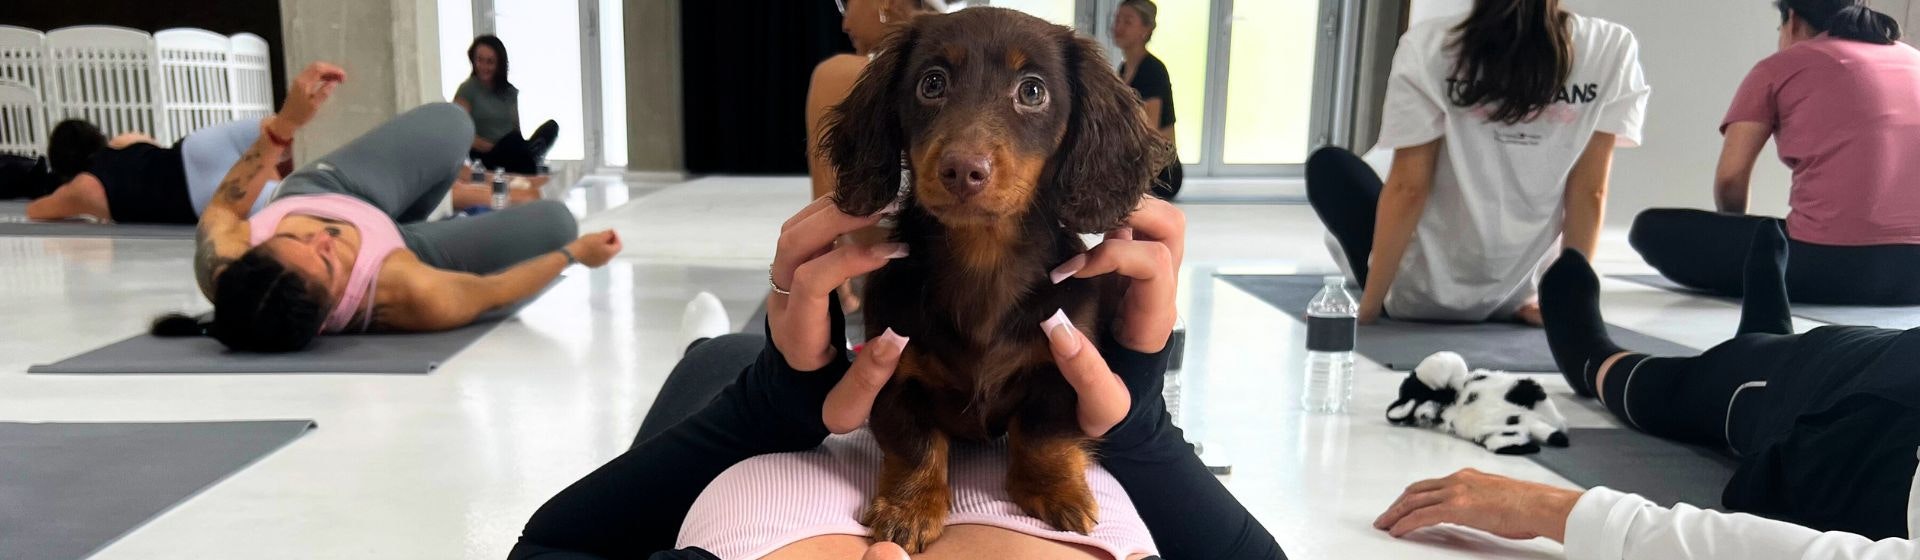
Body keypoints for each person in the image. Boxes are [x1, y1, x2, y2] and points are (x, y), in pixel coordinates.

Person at [508, 199, 1285, 559]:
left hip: (794, 448)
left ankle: (718, 345)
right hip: (1015, 450)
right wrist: (1134, 412)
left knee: (719, 363)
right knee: (732, 359)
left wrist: (775, 400)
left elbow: (549, 545)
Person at [1375, 224, 1920, 558]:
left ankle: (1748, 340)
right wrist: (1551, 508)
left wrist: (1558, 511)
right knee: (1697, 385)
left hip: (1867, 414)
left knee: (1737, 375)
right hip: (1869, 384)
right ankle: (1601, 358)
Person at [158, 61, 622, 353]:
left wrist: (285, 125)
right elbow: (494, 292)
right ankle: (450, 207)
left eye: (294, 237)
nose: (325, 237)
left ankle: (448, 197)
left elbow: (223, 205)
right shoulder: (407, 295)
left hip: (332, 187)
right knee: (558, 222)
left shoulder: (223, 261)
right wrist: (574, 255)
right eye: (327, 260)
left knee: (452, 123)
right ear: (329, 317)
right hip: (402, 249)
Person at [1306, 0, 1649, 326]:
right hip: (1515, 295)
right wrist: (1566, 305)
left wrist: (1370, 307)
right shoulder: (1611, 47)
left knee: (1330, 166)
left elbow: (1408, 188)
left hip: (1418, 297)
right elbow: (1590, 192)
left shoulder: (1429, 46)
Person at [1629, 0, 1920, 305]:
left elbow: (1731, 179)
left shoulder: (1780, 66)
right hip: (1916, 281)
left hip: (1827, 267)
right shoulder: (1914, 60)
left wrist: (1733, 232)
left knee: (1651, 229)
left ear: (1791, 20)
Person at [804, 0, 944, 313]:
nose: (844, 23)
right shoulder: (980, 76)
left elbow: (827, 201)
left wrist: (839, 290)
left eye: (846, 4)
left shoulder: (839, 75)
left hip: (885, 290)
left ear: (886, 2)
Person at [26, 118, 287, 224]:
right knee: (294, 126)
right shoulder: (125, 141)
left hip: (198, 196)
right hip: (195, 148)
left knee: (304, 198)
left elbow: (36, 211)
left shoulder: (84, 189)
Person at [454, 35, 558, 175]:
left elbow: (516, 129)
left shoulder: (509, 92)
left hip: (511, 149)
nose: (484, 66)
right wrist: (492, 146)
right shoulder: (467, 89)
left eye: (490, 62)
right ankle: (530, 159)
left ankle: (528, 155)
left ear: (499, 64)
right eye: (480, 60)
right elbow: (459, 132)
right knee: (513, 143)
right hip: (486, 154)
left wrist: (518, 147)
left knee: (551, 127)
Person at [1112, 0, 1182, 201]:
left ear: (1146, 29)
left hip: (1161, 172)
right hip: (1134, 163)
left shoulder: (1153, 70)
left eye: (1127, 21)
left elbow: (1149, 132)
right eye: (1117, 19)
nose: (1118, 27)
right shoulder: (1123, 70)